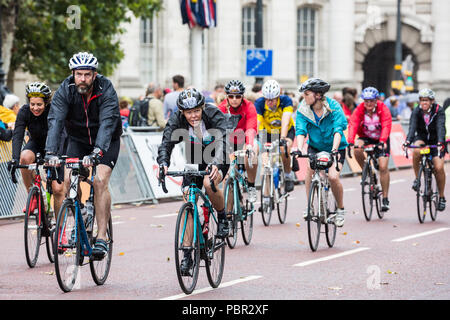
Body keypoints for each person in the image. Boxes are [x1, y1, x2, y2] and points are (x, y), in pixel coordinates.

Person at [45, 52, 122, 260]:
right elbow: (55, 121)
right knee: (69, 179)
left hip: (107, 141)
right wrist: (50, 152)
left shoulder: (106, 88)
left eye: (87, 75)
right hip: (78, 140)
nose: (83, 79)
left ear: (94, 75)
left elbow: (108, 123)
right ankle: (81, 213)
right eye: (79, 74)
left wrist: (98, 152)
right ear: (73, 74)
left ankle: (102, 237)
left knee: (99, 180)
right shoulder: (65, 90)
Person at [157, 88, 229, 275]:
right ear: (182, 112)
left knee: (208, 183)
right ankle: (187, 255)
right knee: (189, 200)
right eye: (189, 112)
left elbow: (223, 141)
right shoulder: (176, 119)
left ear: (202, 107)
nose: (193, 116)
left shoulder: (214, 114)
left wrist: (215, 163)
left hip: (218, 155)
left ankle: (222, 217)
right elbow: (166, 142)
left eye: (196, 111)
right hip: (195, 156)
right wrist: (163, 162)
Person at [295, 78, 348, 227]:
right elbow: (300, 131)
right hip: (315, 147)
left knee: (332, 177)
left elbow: (338, 130)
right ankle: (310, 206)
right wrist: (299, 148)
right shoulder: (303, 108)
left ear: (318, 95)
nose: (303, 97)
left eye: (306, 94)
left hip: (335, 146)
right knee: (309, 172)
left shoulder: (334, 107)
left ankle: (340, 209)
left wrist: (334, 150)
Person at [8, 83, 65, 215]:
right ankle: (33, 195)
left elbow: (61, 134)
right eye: (32, 104)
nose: (35, 108)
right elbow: (18, 135)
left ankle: (59, 228)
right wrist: (14, 159)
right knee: (24, 158)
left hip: (54, 145)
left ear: (46, 102)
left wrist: (55, 156)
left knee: (57, 189)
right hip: (36, 143)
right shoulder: (24, 111)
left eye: (39, 104)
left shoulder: (53, 110)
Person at [347, 87, 392, 211]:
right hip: (366, 137)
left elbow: (387, 124)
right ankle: (367, 172)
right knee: (356, 148)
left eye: (371, 101)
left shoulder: (383, 108)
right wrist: (350, 142)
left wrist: (383, 141)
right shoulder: (360, 109)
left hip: (381, 139)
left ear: (376, 100)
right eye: (366, 101)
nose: (368, 104)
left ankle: (385, 198)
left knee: (383, 167)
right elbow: (353, 123)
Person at [403, 88, 446, 211]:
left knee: (438, 168)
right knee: (416, 150)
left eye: (426, 100)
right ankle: (417, 179)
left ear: (431, 101)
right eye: (421, 100)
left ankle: (442, 197)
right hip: (422, 138)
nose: (423, 103)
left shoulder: (439, 110)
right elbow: (412, 127)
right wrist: (407, 141)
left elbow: (440, 127)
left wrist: (440, 142)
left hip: (436, 141)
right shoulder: (417, 111)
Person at [218, 80, 258, 202]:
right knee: (228, 177)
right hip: (229, 142)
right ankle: (228, 217)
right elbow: (217, 130)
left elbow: (251, 129)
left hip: (246, 139)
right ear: (227, 97)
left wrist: (249, 145)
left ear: (242, 96)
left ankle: (251, 186)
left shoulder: (249, 106)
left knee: (253, 151)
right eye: (231, 96)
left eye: (238, 96)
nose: (234, 99)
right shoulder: (222, 108)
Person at [255, 79, 296, 192]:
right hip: (267, 132)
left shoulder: (286, 101)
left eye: (272, 99)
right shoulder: (259, 103)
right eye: (267, 99)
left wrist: (282, 138)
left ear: (278, 97)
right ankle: (266, 197)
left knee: (284, 149)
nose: (269, 102)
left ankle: (288, 176)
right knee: (265, 162)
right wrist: (254, 135)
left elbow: (285, 120)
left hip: (285, 130)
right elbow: (257, 122)